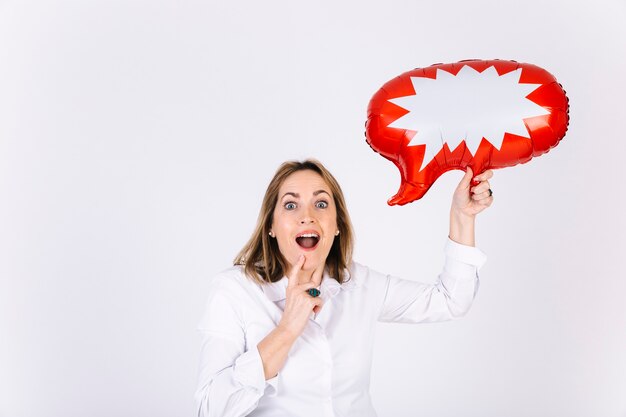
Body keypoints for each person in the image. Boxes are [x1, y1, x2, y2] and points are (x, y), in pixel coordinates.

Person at [195, 159, 493, 417]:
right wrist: (286, 330)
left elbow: (451, 300)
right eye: (290, 204)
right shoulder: (234, 290)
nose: (307, 215)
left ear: (337, 224)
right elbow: (211, 408)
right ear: (271, 226)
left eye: (321, 203)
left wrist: (462, 217)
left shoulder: (359, 283)